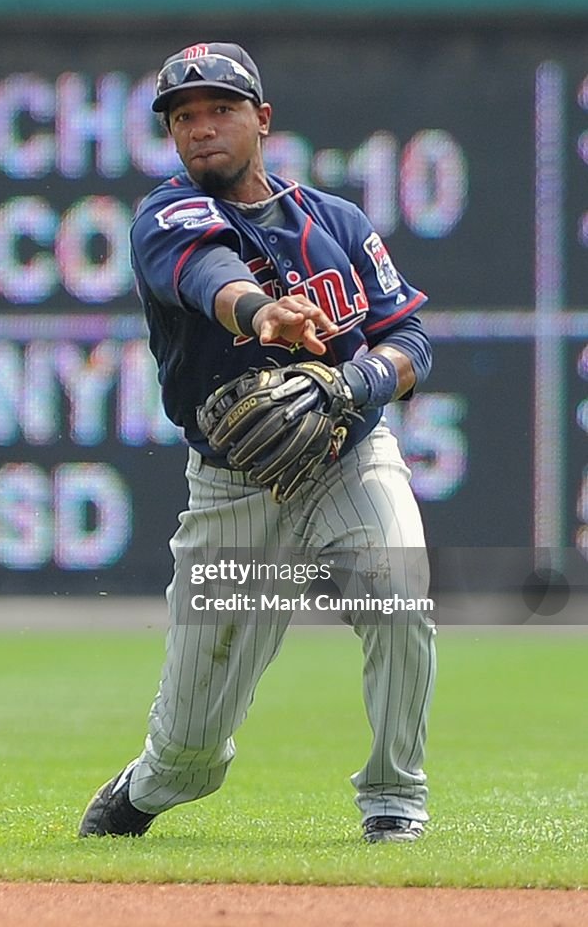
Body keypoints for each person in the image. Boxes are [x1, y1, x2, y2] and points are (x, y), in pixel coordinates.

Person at [78, 42, 437, 844]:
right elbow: (206, 272)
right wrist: (260, 312)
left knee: (398, 592)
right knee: (191, 747)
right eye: (183, 117)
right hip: (235, 488)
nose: (201, 128)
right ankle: (151, 783)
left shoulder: (334, 221)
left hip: (348, 455)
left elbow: (408, 336)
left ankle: (393, 799)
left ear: (261, 120)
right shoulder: (165, 213)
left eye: (219, 110)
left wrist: (358, 383)